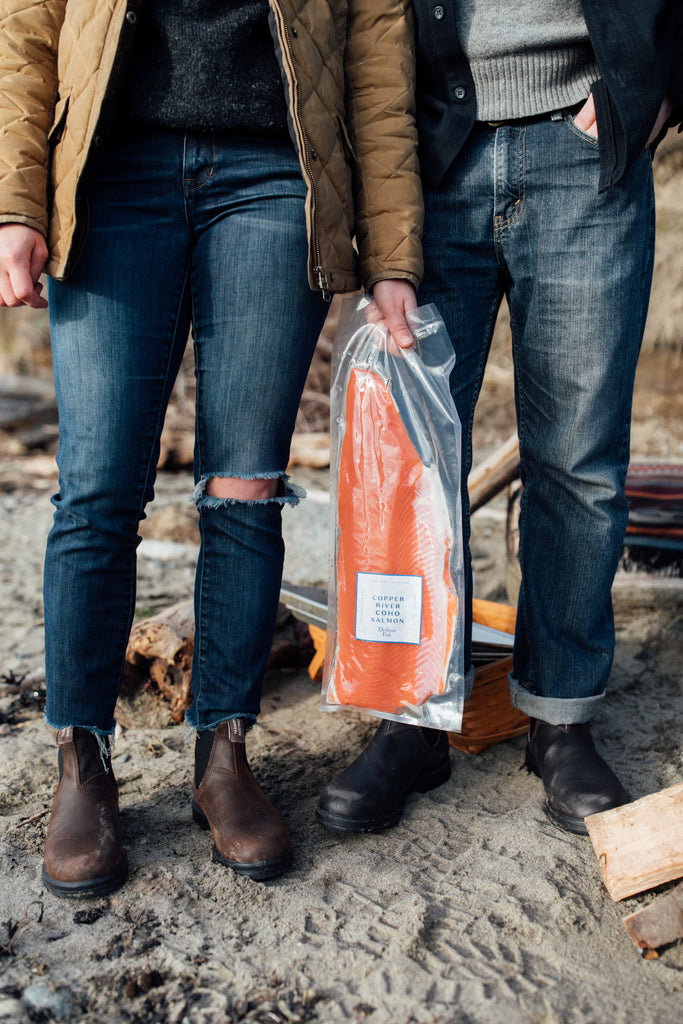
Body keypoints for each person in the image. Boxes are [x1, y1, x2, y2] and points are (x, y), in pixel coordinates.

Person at [0, 0, 422, 898]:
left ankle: (223, 755)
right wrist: (14, 196)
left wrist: (391, 252)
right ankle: (83, 762)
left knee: (245, 491)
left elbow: (379, 63)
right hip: (109, 171)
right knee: (98, 491)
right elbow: (25, 26)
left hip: (279, 175)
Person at [317, 0, 682, 837]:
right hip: (429, 149)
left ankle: (558, 718)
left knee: (578, 460)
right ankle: (410, 718)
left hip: (585, 149)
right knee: (406, 467)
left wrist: (661, 87)